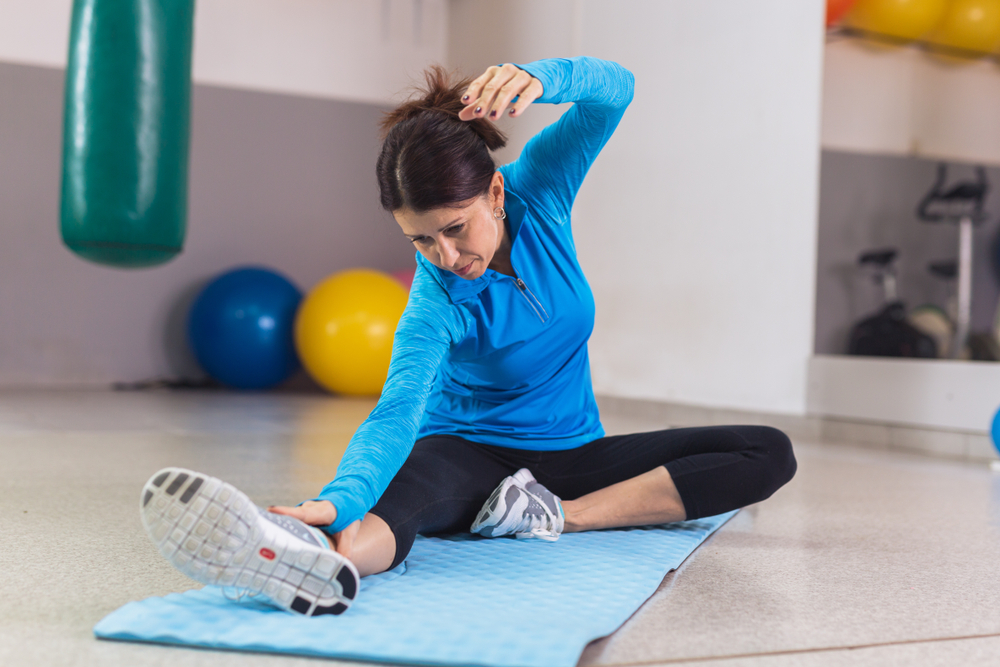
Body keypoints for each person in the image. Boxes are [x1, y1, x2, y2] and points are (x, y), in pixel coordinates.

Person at [140, 57, 797, 617]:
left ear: (496, 192)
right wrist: (339, 498)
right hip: (469, 453)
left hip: (571, 458)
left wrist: (542, 79)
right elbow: (397, 408)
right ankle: (316, 561)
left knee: (766, 452)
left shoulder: (541, 195)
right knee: (410, 491)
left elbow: (616, 89)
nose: (444, 254)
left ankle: (560, 517)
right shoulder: (434, 303)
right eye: (420, 238)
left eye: (455, 227)